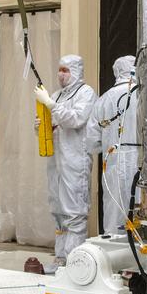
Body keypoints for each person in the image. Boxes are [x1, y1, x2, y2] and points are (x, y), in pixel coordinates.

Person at [34, 55, 96, 265]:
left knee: (74, 211)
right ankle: (60, 257)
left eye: (65, 70)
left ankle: (74, 261)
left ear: (76, 71)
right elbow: (51, 126)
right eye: (59, 69)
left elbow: (75, 119)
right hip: (56, 162)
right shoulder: (56, 95)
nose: (60, 74)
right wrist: (40, 126)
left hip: (75, 161)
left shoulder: (86, 93)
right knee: (58, 210)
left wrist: (50, 104)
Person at [85, 55, 139, 234]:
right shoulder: (144, 94)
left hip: (113, 164)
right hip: (141, 166)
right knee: (142, 213)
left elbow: (92, 143)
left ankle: (115, 249)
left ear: (116, 72)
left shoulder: (103, 100)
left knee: (115, 214)